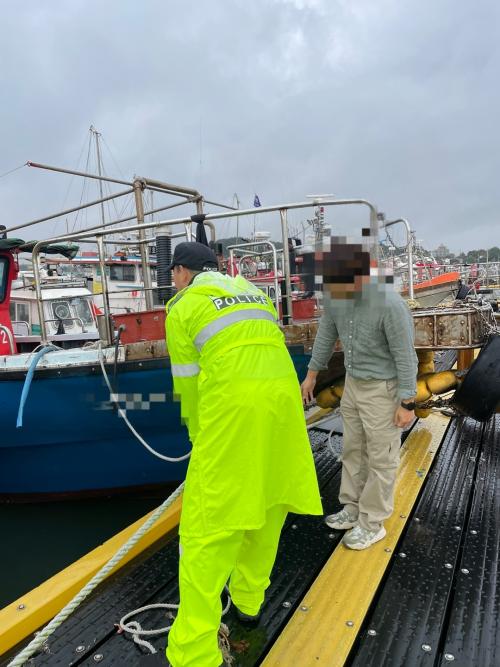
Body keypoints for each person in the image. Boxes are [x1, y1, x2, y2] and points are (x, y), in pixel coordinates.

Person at [159, 242, 322, 667]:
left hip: (233, 418)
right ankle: (249, 604)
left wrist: (201, 440)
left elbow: (188, 384)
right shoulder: (256, 294)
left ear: (181, 272)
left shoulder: (183, 307)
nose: (172, 281)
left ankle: (193, 654)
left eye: (172, 274)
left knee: (207, 534)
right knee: (267, 509)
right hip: (284, 416)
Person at [301, 241, 418, 551]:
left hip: (383, 387)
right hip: (353, 384)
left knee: (381, 457)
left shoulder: (390, 305)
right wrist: (311, 375)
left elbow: (406, 357)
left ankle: (372, 522)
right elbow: (326, 335)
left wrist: (407, 402)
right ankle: (352, 508)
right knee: (353, 449)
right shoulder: (336, 297)